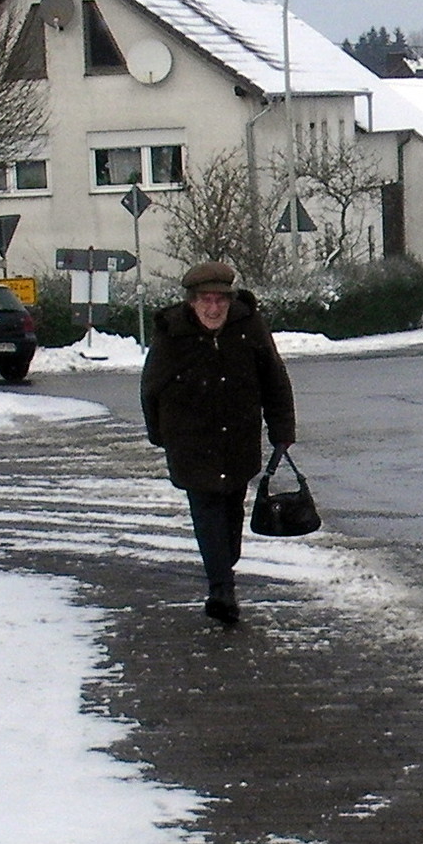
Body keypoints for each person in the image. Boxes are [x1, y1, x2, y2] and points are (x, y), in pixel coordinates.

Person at [141, 261, 296, 625]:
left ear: (230, 301)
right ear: (192, 303)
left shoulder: (249, 326)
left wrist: (282, 429)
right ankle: (221, 589)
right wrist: (159, 434)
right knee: (206, 507)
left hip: (238, 436)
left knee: (230, 512)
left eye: (220, 301)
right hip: (190, 440)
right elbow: (151, 387)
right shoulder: (172, 333)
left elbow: (274, 376)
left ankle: (223, 567)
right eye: (205, 301)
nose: (213, 309)